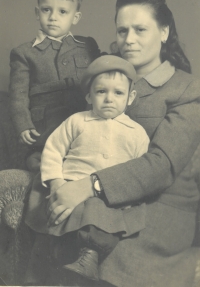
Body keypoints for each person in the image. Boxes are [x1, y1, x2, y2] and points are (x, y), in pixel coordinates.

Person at [28, 0, 200, 287]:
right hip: (97, 202)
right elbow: (69, 129)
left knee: (106, 264)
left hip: (156, 207)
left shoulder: (187, 89)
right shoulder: (104, 77)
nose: (129, 40)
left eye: (140, 30)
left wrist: (89, 185)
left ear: (163, 32)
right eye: (122, 31)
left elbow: (160, 165)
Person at [28, 55, 149, 281]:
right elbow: (53, 150)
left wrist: (128, 199)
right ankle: (53, 266)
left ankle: (89, 256)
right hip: (70, 188)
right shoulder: (77, 121)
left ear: (130, 97)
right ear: (89, 95)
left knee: (98, 212)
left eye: (118, 93)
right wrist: (56, 182)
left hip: (108, 197)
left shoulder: (136, 133)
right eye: (101, 92)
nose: (109, 99)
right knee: (56, 223)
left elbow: (139, 171)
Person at [9, 0, 100, 172]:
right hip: (45, 126)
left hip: (81, 119)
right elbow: (18, 95)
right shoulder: (24, 53)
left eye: (62, 11)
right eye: (46, 10)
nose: (53, 17)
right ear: (37, 12)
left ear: (75, 17)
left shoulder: (87, 46)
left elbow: (103, 73)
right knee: (42, 162)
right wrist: (23, 124)